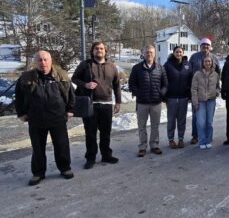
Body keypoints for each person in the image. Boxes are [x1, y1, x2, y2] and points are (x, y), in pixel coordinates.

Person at [15, 51, 75, 186]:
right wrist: (21, 113)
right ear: (35, 62)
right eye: (40, 60)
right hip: (36, 119)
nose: (43, 63)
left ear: (51, 61)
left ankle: (65, 168)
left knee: (61, 145)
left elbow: (71, 94)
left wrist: (70, 109)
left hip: (57, 118)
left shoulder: (61, 75)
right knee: (37, 148)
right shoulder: (26, 77)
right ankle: (38, 173)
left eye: (45, 59)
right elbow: (19, 97)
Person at [72, 41, 121, 169]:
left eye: (101, 48)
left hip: (106, 104)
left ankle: (106, 155)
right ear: (92, 51)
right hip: (90, 104)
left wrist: (118, 102)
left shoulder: (112, 66)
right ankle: (90, 158)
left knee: (106, 132)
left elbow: (117, 85)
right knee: (90, 133)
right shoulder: (85, 65)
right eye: (96, 48)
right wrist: (85, 84)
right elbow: (74, 78)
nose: (99, 50)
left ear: (105, 51)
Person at [129, 44, 168, 157]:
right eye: (147, 52)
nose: (149, 54)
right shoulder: (137, 68)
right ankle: (142, 147)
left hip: (156, 103)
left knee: (155, 125)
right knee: (142, 126)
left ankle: (154, 145)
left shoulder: (160, 68)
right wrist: (139, 93)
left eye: (151, 52)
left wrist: (161, 93)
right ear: (144, 54)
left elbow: (165, 84)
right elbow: (132, 84)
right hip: (142, 103)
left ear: (154, 54)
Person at [189, 37, 221, 145]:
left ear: (210, 46)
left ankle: (208, 137)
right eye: (203, 45)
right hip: (198, 92)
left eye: (207, 45)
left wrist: (217, 90)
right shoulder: (194, 57)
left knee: (208, 118)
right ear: (200, 46)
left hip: (210, 93)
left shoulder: (214, 58)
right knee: (197, 117)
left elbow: (217, 75)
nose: (205, 47)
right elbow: (189, 73)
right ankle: (195, 135)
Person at [164, 46, 192, 149]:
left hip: (183, 97)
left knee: (182, 120)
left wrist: (189, 94)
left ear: (183, 53)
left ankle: (181, 139)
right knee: (171, 120)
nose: (178, 54)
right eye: (176, 52)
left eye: (180, 52)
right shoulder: (167, 65)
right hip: (171, 97)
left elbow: (190, 80)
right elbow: (163, 80)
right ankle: (171, 140)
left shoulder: (187, 65)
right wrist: (164, 94)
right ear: (173, 53)